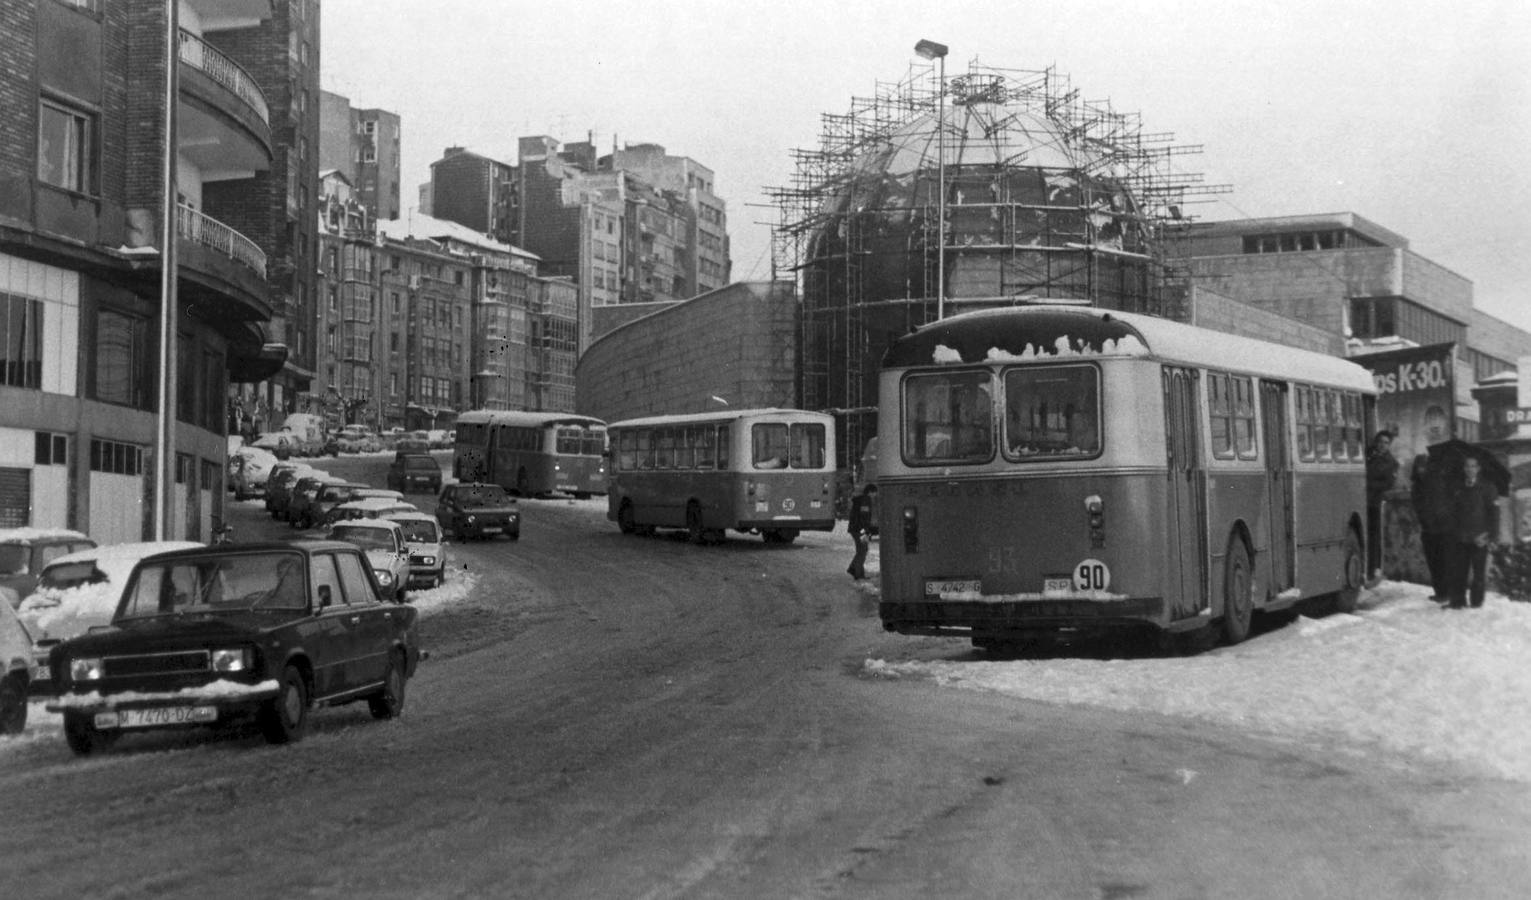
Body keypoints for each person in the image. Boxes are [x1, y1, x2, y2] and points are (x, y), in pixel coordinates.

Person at [1445, 456, 1499, 609]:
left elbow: (1494, 514)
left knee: (1478, 574)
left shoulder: (1488, 487)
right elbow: (1452, 512)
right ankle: (1457, 601)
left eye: (1473, 466)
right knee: (1459, 572)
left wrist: (1490, 536)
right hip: (1461, 537)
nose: (1470, 469)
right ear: (1463, 469)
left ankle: (1476, 603)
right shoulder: (1457, 487)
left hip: (1479, 537)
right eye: (1467, 466)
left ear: (1478, 468)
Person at [1409, 454, 1452, 602]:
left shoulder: (1436, 482)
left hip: (1441, 528)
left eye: (1424, 466)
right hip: (1427, 528)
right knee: (1433, 562)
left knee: (1443, 561)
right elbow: (1417, 505)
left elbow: (1441, 504)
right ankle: (1440, 591)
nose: (1421, 469)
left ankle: (1446, 592)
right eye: (1419, 466)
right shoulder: (1416, 485)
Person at [1365, 430, 1400, 580]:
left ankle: (1372, 568)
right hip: (1362, 499)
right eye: (1380, 442)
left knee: (1373, 536)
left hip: (1375, 502)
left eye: (1386, 443)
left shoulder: (1391, 463)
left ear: (1389, 445)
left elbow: (1388, 483)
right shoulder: (1368, 456)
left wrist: (1368, 484)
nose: (1382, 445)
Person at [846, 485, 875, 581]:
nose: (875, 495)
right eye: (874, 492)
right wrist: (865, 532)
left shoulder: (861, 499)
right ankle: (858, 573)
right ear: (870, 492)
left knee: (862, 550)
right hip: (860, 530)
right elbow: (864, 517)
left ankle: (854, 569)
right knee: (863, 550)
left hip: (856, 528)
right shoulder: (866, 500)